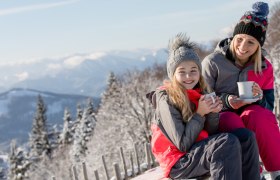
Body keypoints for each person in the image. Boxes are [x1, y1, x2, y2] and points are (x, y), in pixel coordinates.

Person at [147, 33, 260, 180]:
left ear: (199, 73)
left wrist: (213, 112)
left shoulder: (200, 92)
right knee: (225, 142)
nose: (189, 76)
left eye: (193, 71)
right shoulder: (166, 100)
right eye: (182, 72)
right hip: (177, 162)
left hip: (196, 151)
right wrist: (200, 114)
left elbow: (210, 131)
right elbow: (182, 144)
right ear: (173, 74)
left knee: (246, 136)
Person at [202, 2, 280, 180]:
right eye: (240, 39)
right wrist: (228, 101)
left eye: (251, 42)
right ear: (233, 37)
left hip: (249, 113)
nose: (243, 46)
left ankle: (277, 172)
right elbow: (202, 99)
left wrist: (259, 98)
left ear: (258, 46)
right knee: (231, 118)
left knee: (258, 115)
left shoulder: (264, 67)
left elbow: (268, 107)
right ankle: (254, 174)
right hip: (219, 117)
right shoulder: (213, 62)